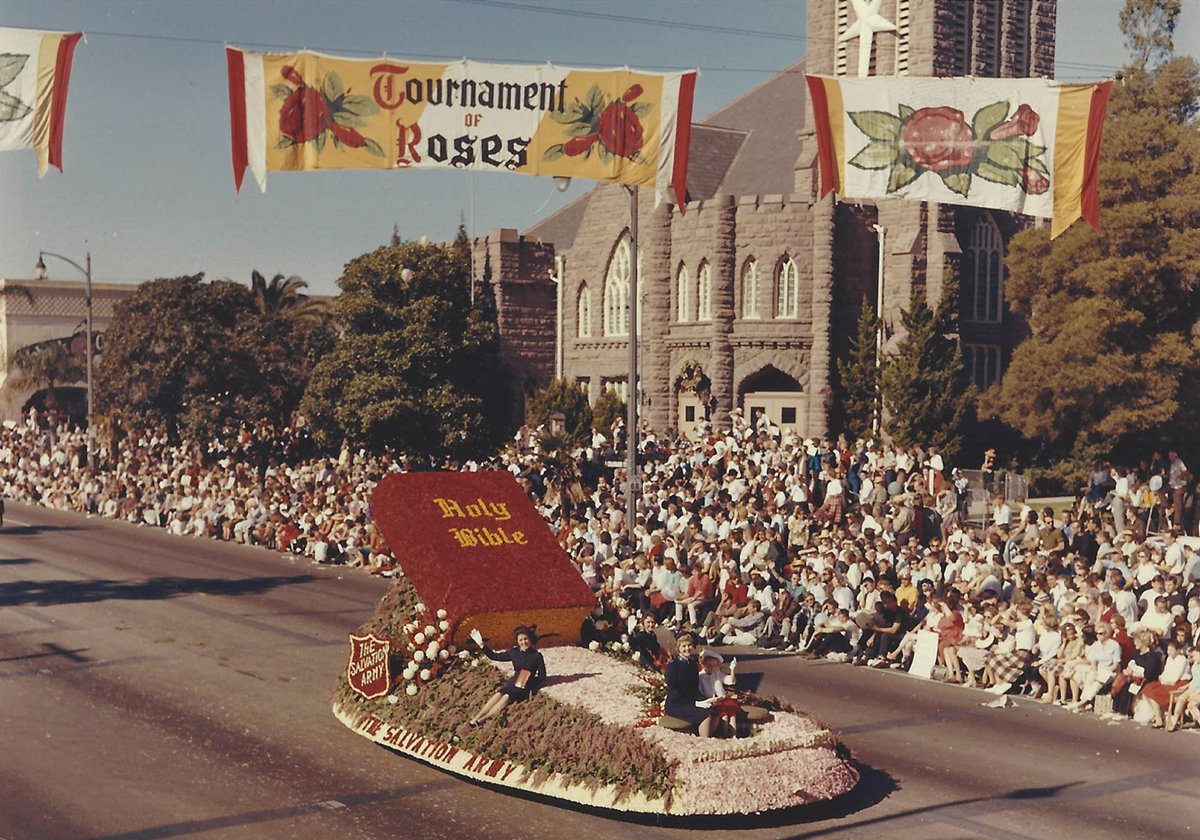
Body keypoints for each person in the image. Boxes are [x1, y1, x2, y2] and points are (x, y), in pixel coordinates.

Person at [467, 626, 546, 727]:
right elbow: (494, 656)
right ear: (517, 642)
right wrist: (482, 645)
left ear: (530, 639)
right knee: (498, 694)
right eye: (520, 640)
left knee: (506, 697)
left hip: (524, 686)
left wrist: (531, 682)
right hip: (513, 682)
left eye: (526, 639)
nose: (524, 642)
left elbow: (542, 675)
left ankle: (484, 719)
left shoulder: (536, 655)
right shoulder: (514, 652)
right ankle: (477, 717)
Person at [664, 632, 716, 738]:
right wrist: (695, 703)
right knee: (704, 715)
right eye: (684, 646)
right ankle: (704, 742)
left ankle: (707, 737)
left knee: (714, 711)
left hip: (690, 702)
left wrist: (706, 700)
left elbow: (694, 689)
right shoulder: (672, 666)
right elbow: (674, 691)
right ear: (678, 648)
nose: (687, 649)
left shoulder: (693, 664)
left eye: (689, 645)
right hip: (677, 704)